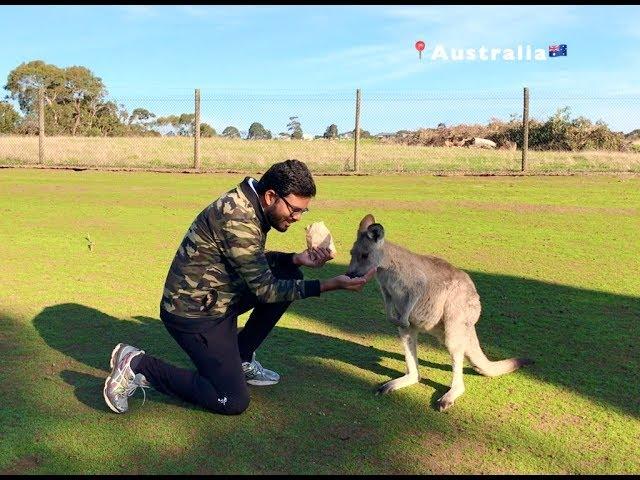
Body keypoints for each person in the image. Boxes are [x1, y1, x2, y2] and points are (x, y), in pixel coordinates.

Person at [103, 159, 375, 415]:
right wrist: (331, 284)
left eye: (304, 211)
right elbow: (265, 290)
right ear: (270, 196)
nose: (298, 218)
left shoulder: (252, 203)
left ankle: (241, 357)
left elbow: (249, 262)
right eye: (294, 210)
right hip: (193, 312)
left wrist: (295, 259)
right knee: (233, 400)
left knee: (289, 272)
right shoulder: (239, 218)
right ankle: (137, 365)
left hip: (218, 295)